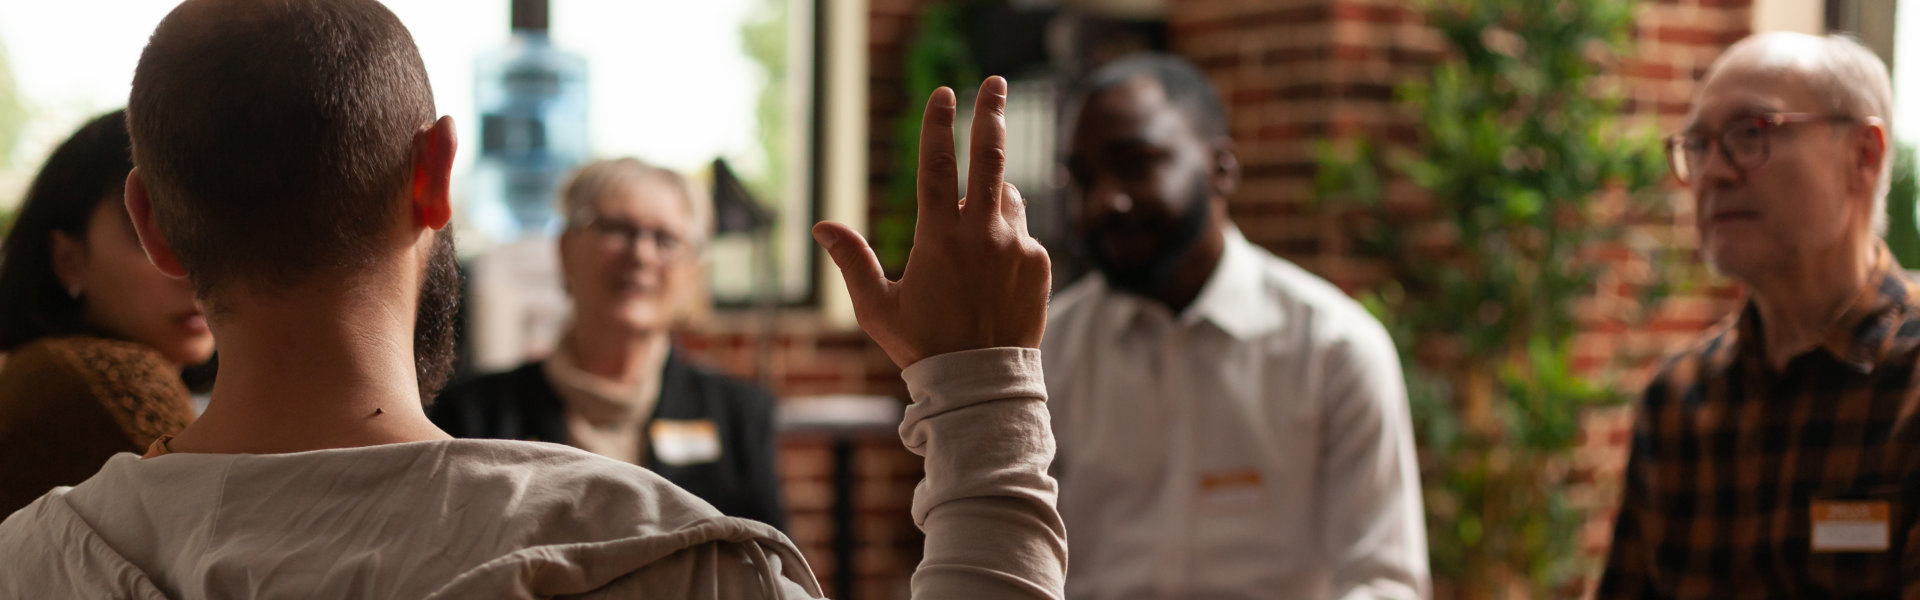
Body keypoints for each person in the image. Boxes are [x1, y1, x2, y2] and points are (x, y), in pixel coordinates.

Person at [0, 0, 1062, 597]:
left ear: (152, 223)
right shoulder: (659, 561)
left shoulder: (34, 562)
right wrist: (983, 393)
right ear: (437, 178)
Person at [1043, 53, 1429, 599]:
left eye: (1137, 163)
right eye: (1084, 179)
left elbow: (1383, 581)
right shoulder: (1047, 353)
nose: (1106, 200)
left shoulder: (1334, 351)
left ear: (1222, 167)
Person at [1597, 33, 1915, 597]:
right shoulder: (1677, 402)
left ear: (1862, 157)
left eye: (1751, 134)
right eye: (1697, 146)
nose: (1713, 173)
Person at [433, 158, 786, 530]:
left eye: (666, 239)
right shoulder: (472, 418)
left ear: (693, 273)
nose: (641, 254)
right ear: (565, 250)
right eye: (617, 229)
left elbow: (770, 574)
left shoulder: (739, 417)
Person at [0, 110, 215, 516]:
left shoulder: (44, 368)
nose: (194, 271)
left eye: (212, 233)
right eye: (158, 234)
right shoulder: (105, 382)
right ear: (68, 260)